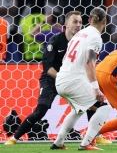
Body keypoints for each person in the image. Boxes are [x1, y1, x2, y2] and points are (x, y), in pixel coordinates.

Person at [4, 11, 83, 144]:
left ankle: (96, 136)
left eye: (80, 22)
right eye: (75, 22)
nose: (78, 25)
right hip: (51, 80)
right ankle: (14, 138)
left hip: (69, 81)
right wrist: (63, 78)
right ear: (66, 24)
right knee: (40, 111)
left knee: (93, 103)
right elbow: (47, 67)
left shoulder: (81, 42)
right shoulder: (54, 38)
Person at [51, 8, 110, 151]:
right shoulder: (95, 37)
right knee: (103, 108)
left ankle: (58, 142)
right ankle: (86, 143)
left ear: (89, 21)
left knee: (77, 110)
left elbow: (66, 58)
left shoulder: (79, 34)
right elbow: (89, 62)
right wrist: (96, 88)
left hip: (60, 80)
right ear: (105, 22)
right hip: (73, 80)